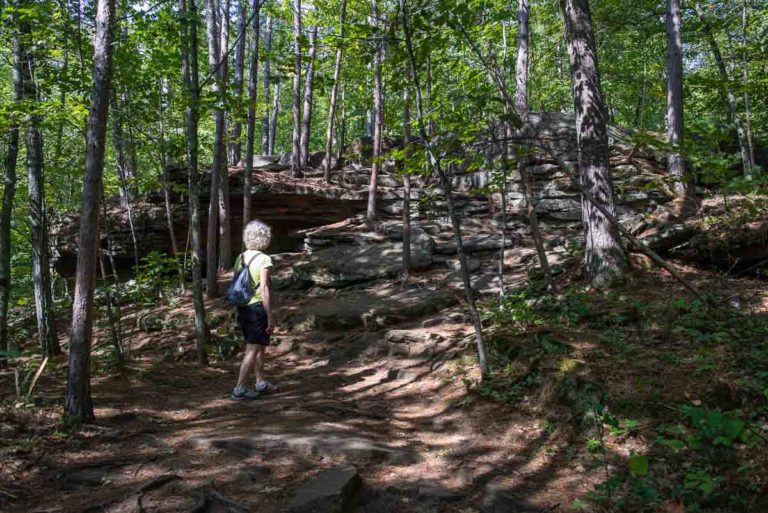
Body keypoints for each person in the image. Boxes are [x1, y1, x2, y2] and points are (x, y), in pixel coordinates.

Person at [231, 219, 278, 400]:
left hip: (243, 307)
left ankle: (260, 383)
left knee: (259, 347)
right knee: (252, 349)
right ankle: (239, 388)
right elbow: (264, 289)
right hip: (257, 308)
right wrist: (270, 315)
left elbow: (237, 284)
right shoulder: (264, 259)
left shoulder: (240, 257)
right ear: (264, 238)